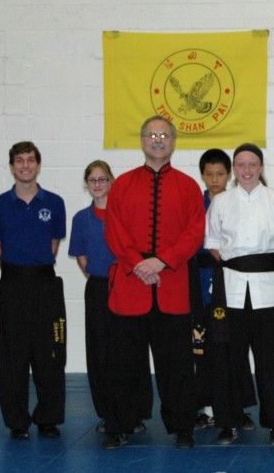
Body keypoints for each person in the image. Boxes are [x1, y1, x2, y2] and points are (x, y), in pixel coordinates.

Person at [103, 116, 206, 450]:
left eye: (164, 135)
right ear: (142, 140)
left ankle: (182, 427)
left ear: (173, 141)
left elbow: (194, 232)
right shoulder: (122, 185)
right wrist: (138, 264)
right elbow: (114, 231)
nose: (158, 140)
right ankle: (120, 424)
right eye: (152, 134)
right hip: (130, 287)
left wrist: (161, 261)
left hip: (171, 286)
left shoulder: (189, 186)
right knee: (124, 364)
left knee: (176, 365)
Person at [206, 143, 274, 446]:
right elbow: (213, 244)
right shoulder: (221, 202)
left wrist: (259, 265)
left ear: (261, 167)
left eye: (252, 164)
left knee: (272, 361)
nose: (247, 170)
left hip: (268, 292)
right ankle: (228, 422)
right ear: (234, 169)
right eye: (241, 165)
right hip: (230, 291)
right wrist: (240, 266)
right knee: (229, 360)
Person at [0, 141, 67, 440]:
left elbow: (54, 245)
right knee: (12, 355)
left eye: (30, 160)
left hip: (45, 283)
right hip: (12, 284)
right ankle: (17, 421)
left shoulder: (54, 203)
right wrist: (17, 270)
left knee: (50, 353)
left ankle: (48, 418)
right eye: (19, 160)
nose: (25, 165)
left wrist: (35, 267)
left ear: (38, 164)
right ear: (11, 166)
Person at [69, 160, 151, 436]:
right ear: (87, 184)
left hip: (129, 286)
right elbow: (81, 256)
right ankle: (108, 412)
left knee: (131, 350)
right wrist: (96, 276)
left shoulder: (126, 213)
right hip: (98, 288)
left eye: (102, 179)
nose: (97, 184)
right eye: (92, 180)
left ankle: (136, 412)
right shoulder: (81, 219)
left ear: (112, 181)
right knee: (100, 352)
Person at [190, 149, 253, 431]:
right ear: (202, 175)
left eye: (220, 174)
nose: (214, 180)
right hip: (201, 284)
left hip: (234, 284)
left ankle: (236, 407)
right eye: (209, 174)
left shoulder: (241, 203)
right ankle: (203, 407)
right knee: (202, 348)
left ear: (229, 175)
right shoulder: (194, 205)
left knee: (233, 348)